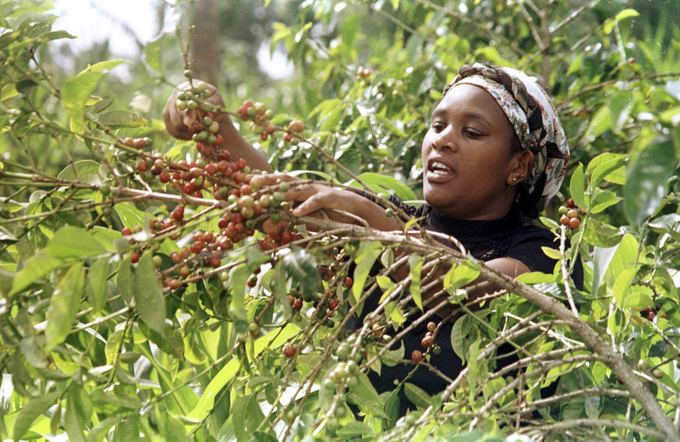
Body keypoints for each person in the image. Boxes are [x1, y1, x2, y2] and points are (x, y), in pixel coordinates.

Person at [164, 62, 582, 414]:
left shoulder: (549, 251)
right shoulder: (396, 219)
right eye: (438, 125)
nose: (443, 140)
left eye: (471, 132)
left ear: (519, 165)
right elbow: (276, 203)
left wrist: (367, 216)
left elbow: (465, 287)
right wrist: (215, 124)